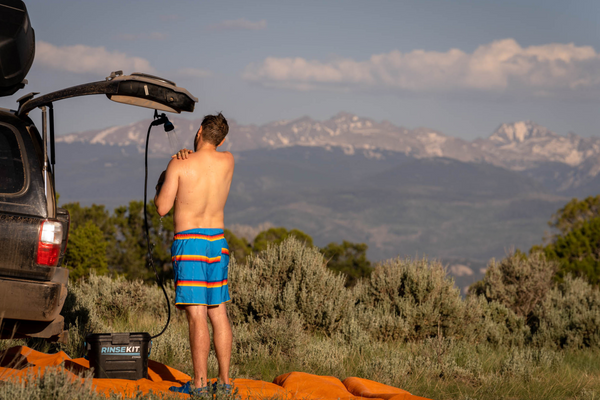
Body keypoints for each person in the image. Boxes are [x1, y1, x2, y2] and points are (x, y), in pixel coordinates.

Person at [154, 113, 235, 395]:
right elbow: (208, 163)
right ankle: (224, 383)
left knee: (197, 314)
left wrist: (165, 177)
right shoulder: (228, 161)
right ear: (222, 139)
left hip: (190, 242)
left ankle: (199, 385)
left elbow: (162, 208)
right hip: (218, 241)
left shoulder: (179, 162)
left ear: (199, 131)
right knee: (218, 312)